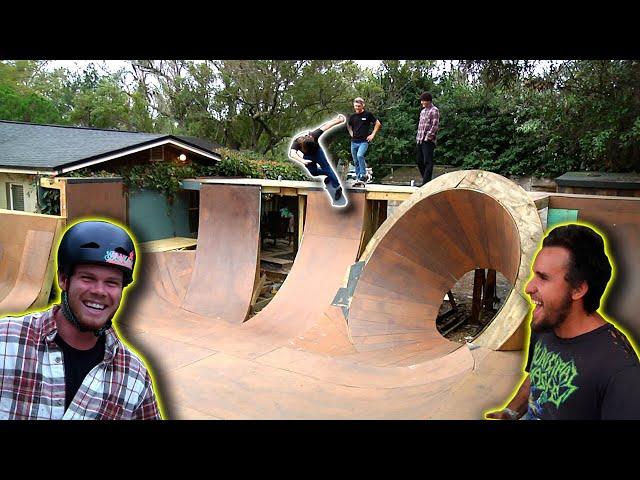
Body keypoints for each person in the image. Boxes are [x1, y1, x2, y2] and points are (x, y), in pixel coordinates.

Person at [0, 220, 162, 420]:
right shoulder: (7, 342)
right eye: (87, 278)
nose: (99, 291)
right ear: (63, 280)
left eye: (111, 282)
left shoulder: (133, 376)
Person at [485, 224, 640, 420]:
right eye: (534, 274)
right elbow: (536, 376)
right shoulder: (546, 323)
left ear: (578, 290)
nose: (529, 287)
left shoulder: (618, 369)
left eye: (543, 277)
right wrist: (510, 412)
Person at [289, 114, 347, 207]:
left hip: (318, 153)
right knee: (314, 173)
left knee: (327, 168)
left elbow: (326, 126)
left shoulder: (314, 134)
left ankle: (338, 188)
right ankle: (329, 175)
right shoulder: (297, 142)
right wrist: (302, 161)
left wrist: (338, 120)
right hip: (308, 156)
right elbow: (292, 154)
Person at [347, 97, 381, 185]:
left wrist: (373, 134)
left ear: (363, 105)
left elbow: (378, 123)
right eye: (355, 106)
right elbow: (349, 125)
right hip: (354, 142)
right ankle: (359, 178)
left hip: (363, 141)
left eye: (358, 106)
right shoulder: (352, 116)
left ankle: (363, 174)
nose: (357, 108)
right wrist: (351, 133)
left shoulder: (367, 115)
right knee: (355, 161)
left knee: (360, 155)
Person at [415, 92, 440, 185]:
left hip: (428, 140)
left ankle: (425, 182)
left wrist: (428, 137)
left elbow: (435, 126)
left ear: (428, 101)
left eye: (423, 101)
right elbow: (420, 126)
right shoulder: (422, 111)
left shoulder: (434, 110)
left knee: (427, 161)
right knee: (419, 161)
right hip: (420, 139)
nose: (422, 103)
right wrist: (418, 138)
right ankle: (427, 181)